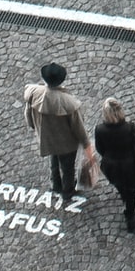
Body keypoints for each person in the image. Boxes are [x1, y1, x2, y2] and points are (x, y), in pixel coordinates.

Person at [22, 63, 92, 204]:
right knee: (67, 167)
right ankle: (68, 191)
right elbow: (78, 127)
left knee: (54, 161)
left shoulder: (34, 93)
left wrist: (33, 126)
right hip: (66, 144)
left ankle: (55, 184)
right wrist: (86, 144)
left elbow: (28, 114)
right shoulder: (69, 103)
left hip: (47, 138)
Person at [93, 98, 135, 233]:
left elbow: (100, 149)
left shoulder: (100, 129)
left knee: (120, 186)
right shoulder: (129, 128)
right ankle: (130, 217)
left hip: (111, 167)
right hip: (130, 166)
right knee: (131, 192)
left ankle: (123, 196)